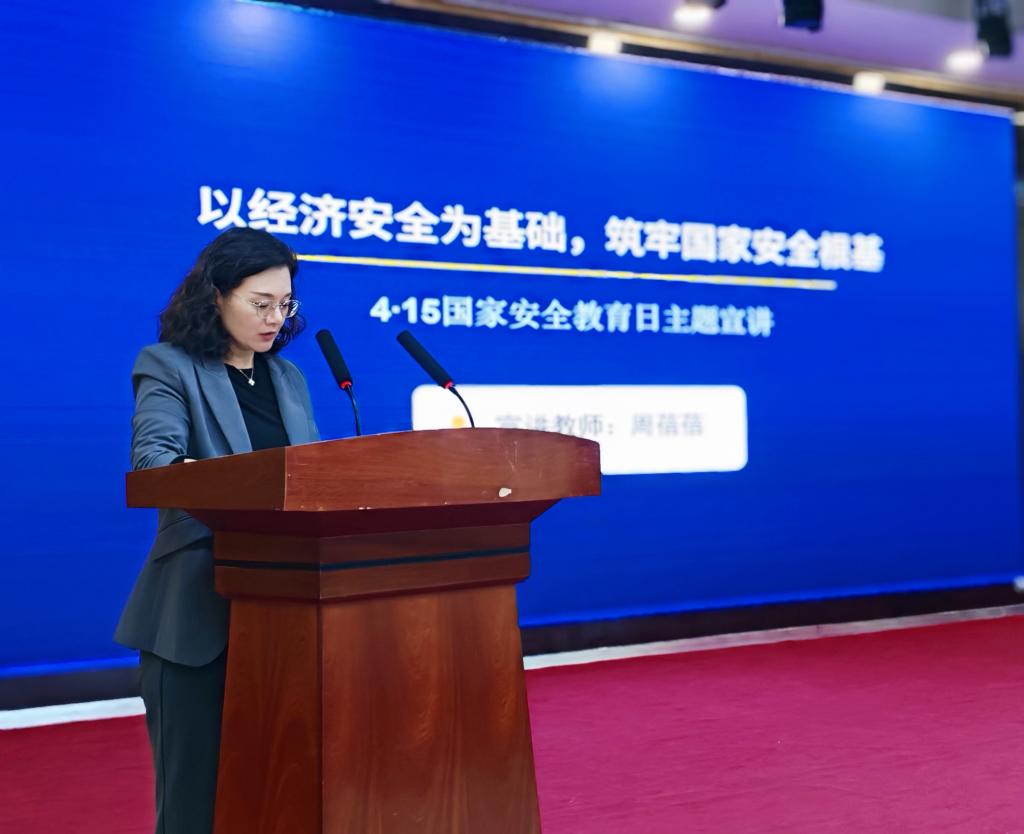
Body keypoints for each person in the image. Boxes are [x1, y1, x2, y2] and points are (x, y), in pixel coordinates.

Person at [114, 227, 320, 834]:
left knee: (281, 791)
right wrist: (244, 487)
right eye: (260, 303)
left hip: (286, 617)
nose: (276, 319)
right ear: (215, 296)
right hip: (196, 613)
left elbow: (312, 480)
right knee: (194, 803)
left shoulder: (289, 378)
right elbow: (154, 463)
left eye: (285, 304)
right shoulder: (168, 365)